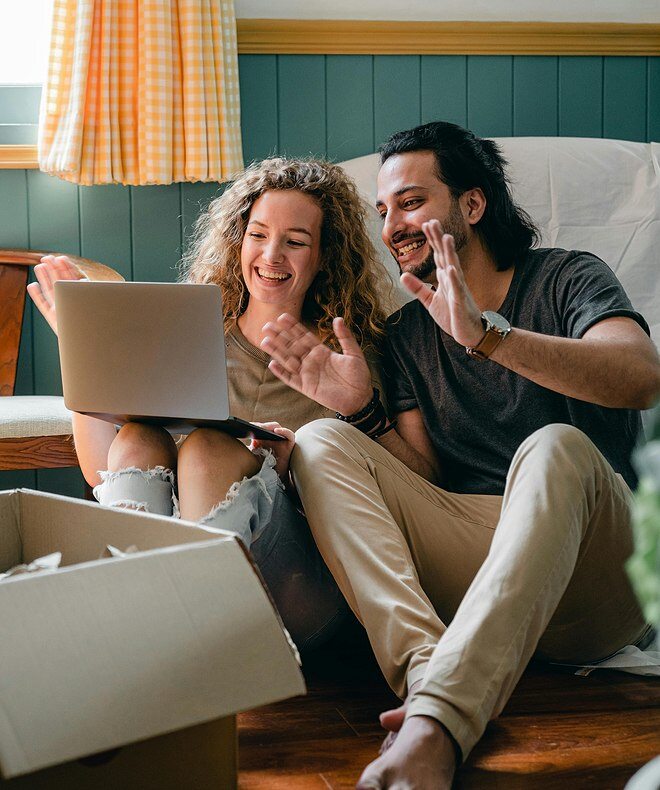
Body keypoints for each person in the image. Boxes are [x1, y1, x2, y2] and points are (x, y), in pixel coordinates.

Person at [259, 122, 660, 788]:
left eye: (411, 202)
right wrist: (362, 414)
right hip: (483, 556)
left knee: (554, 445)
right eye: (384, 211)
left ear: (471, 206)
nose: (393, 225)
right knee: (323, 439)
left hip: (595, 576)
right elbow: (429, 482)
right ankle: (426, 671)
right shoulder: (408, 333)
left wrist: (487, 338)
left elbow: (641, 376)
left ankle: (440, 723)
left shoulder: (565, 278)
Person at [27, 157, 391, 652]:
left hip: (300, 587)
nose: (271, 255)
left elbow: (381, 499)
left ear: (325, 255)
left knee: (206, 450)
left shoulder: (348, 356)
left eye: (296, 241)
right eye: (258, 235)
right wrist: (82, 353)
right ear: (238, 240)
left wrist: (293, 464)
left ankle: (159, 644)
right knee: (137, 435)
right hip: (180, 593)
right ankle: (158, 640)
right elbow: (101, 474)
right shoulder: (192, 337)